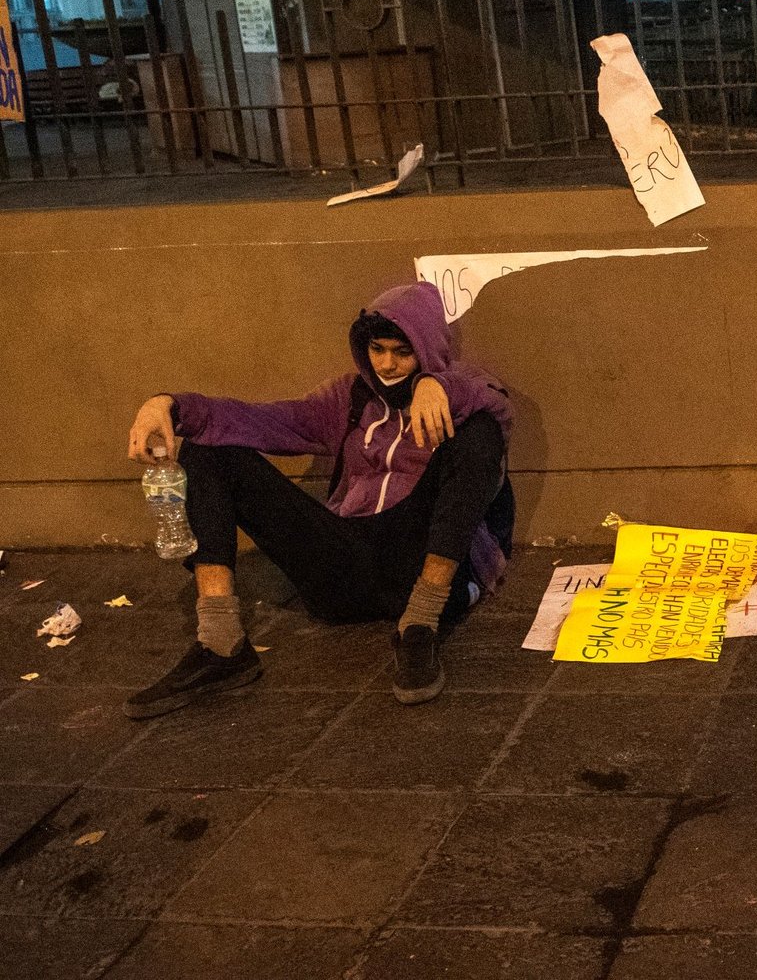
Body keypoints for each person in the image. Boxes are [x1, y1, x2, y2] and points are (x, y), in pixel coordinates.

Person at [123, 281, 512, 717]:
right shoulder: (347, 399)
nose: (387, 364)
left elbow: (496, 406)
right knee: (208, 446)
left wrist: (437, 386)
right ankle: (221, 643)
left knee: (478, 433)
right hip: (344, 565)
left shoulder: (464, 387)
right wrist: (168, 405)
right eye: (377, 350)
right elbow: (259, 420)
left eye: (402, 352)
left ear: (426, 346)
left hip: (418, 562)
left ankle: (419, 627)